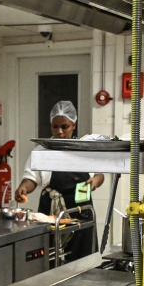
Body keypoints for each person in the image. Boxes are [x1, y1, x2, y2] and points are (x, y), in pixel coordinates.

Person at [15, 100, 104, 261]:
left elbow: (100, 174)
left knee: (81, 257)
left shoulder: (83, 149)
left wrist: (95, 181)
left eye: (65, 127)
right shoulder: (41, 151)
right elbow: (31, 178)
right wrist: (23, 188)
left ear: (74, 125)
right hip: (51, 211)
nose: (60, 132)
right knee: (50, 256)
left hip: (80, 210)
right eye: (55, 126)